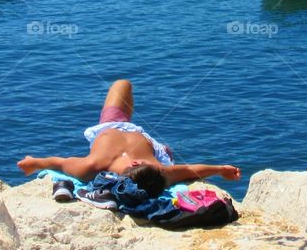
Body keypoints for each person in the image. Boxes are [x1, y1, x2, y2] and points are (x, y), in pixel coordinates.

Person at [17, 80, 241, 198]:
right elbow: (194, 170)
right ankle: (163, 150)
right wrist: (220, 169)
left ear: (135, 165)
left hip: (111, 125)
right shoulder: (160, 171)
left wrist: (34, 162)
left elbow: (57, 162)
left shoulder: (91, 166)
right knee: (166, 151)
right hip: (149, 142)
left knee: (121, 84)